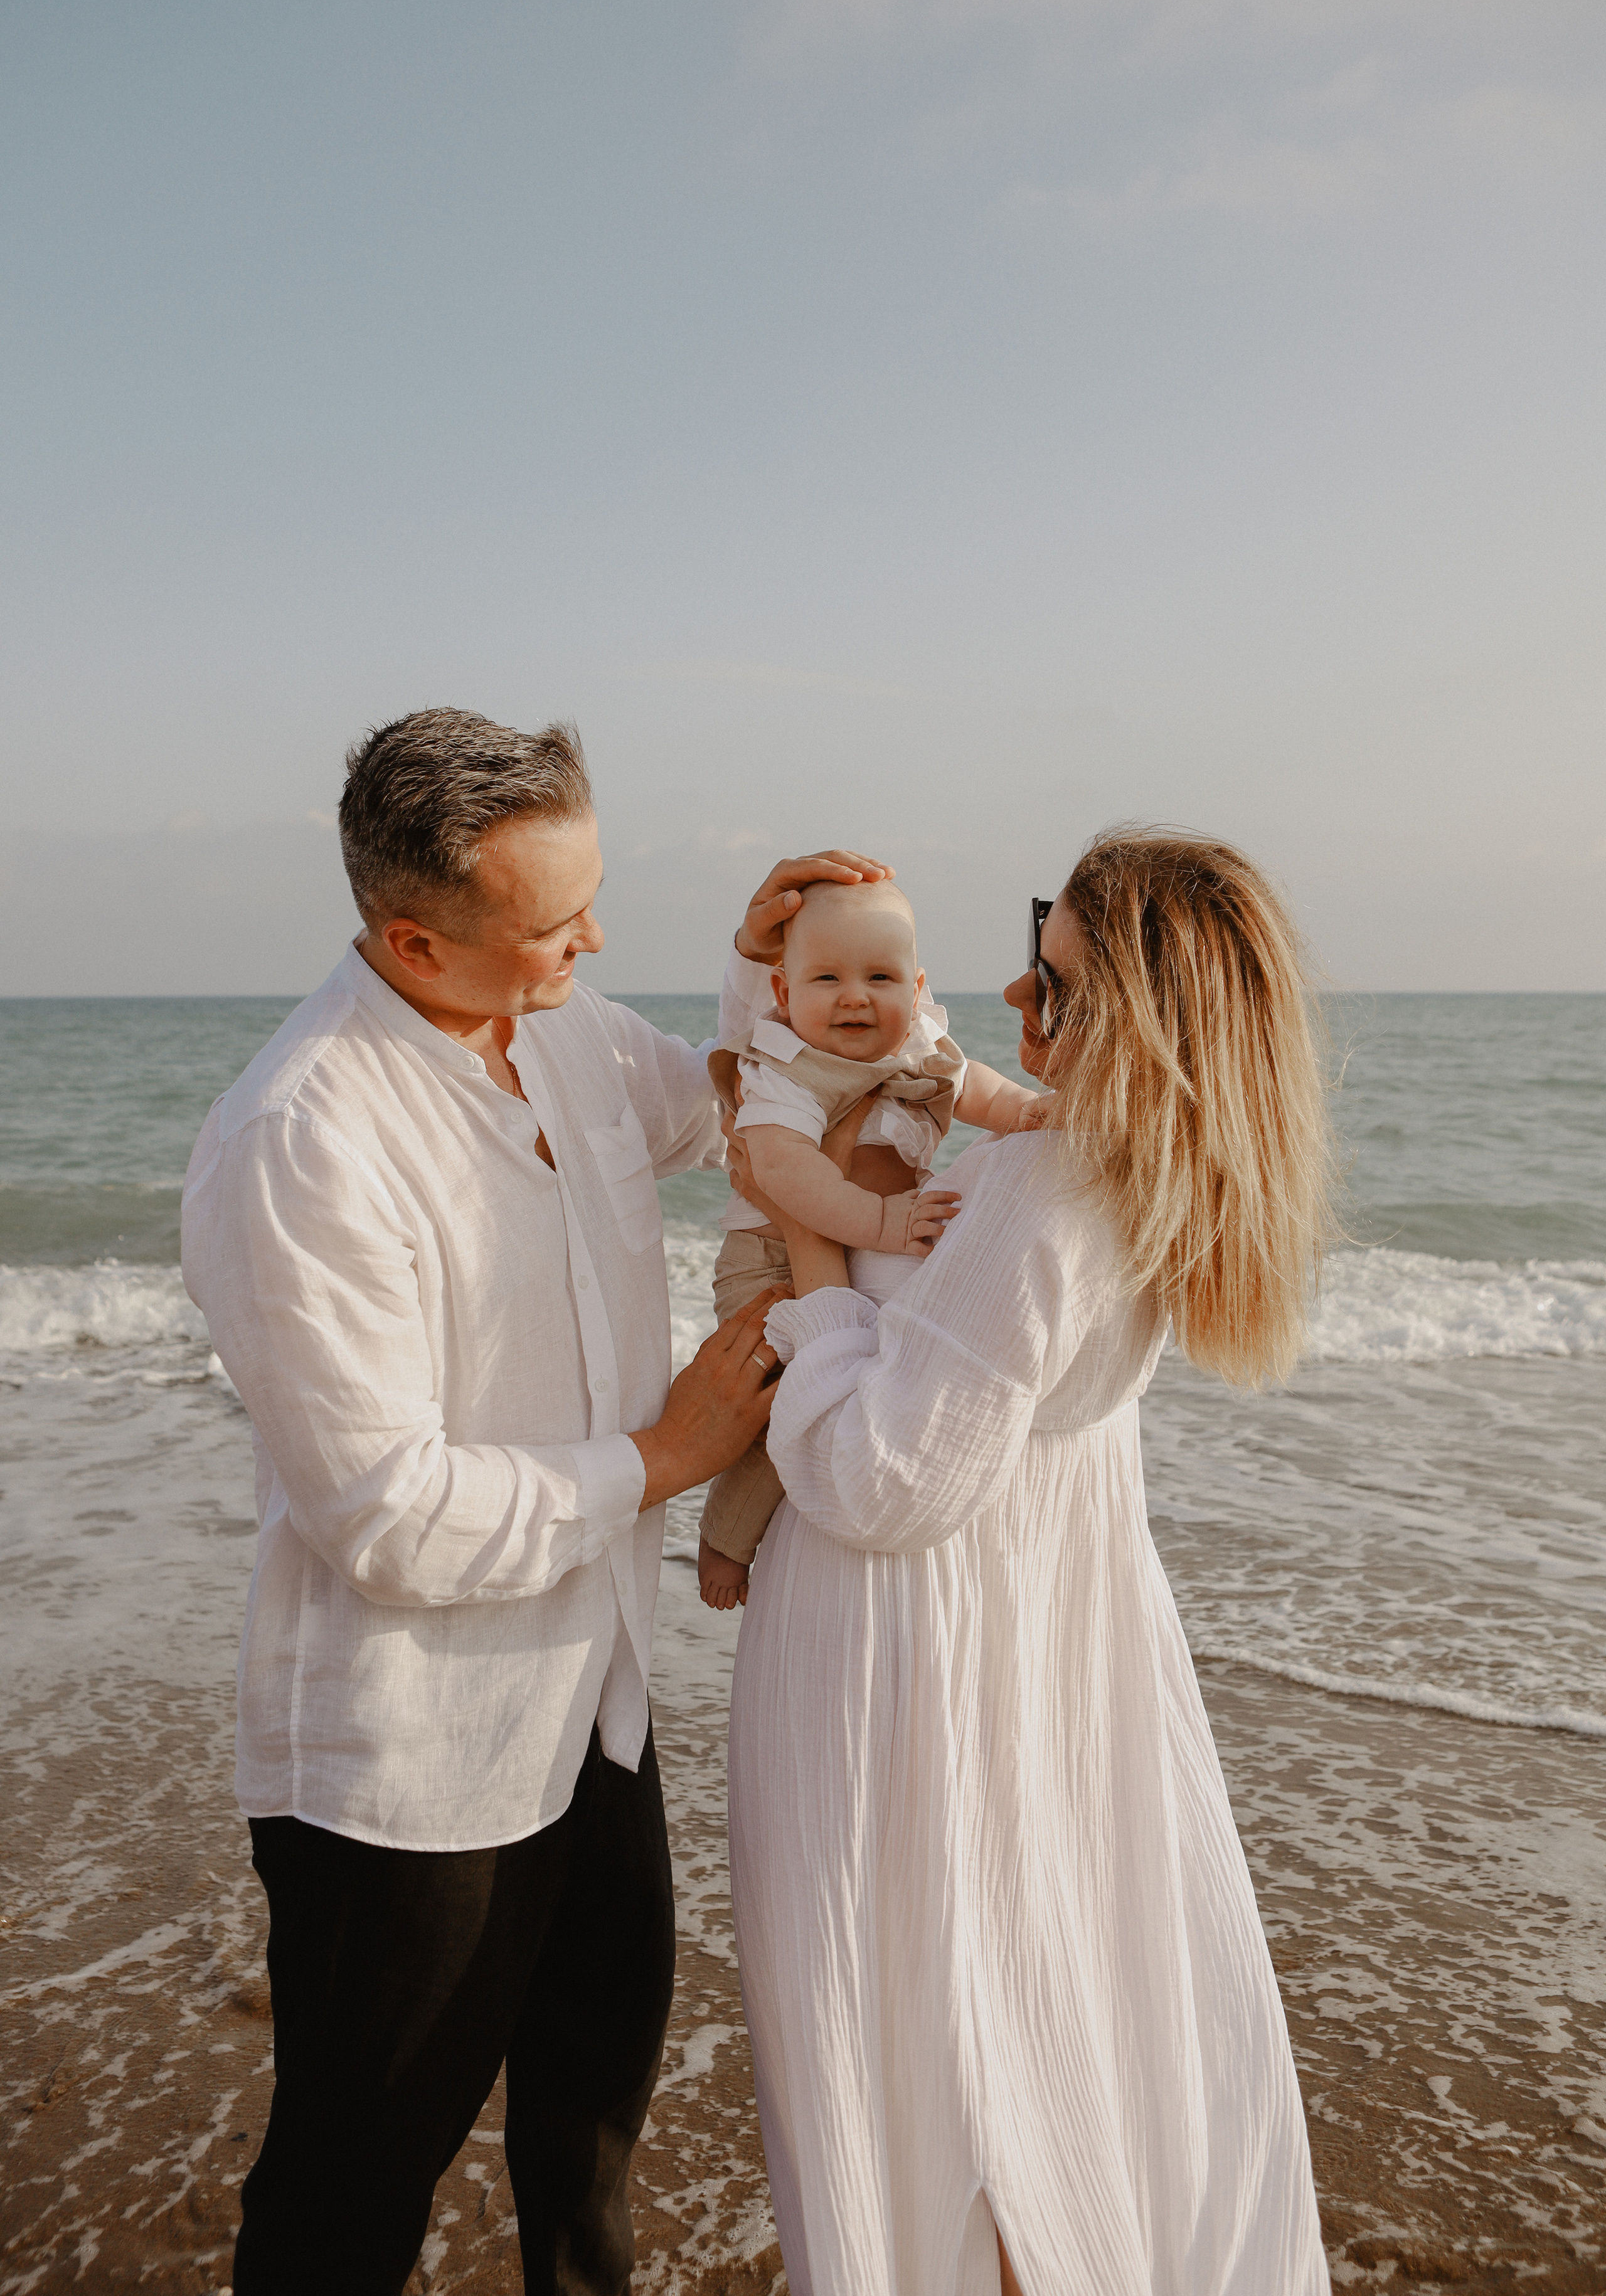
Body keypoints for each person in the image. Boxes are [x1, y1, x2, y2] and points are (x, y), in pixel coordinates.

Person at [179, 703, 886, 2296]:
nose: (593, 942)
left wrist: (775, 966)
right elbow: (387, 1510)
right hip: (404, 1770)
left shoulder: (557, 1022)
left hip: (593, 1713)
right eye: (556, 924)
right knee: (351, 2188)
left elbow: (717, 1111)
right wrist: (667, 1455)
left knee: (588, 2148)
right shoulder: (301, 1137)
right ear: (414, 940)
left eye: (593, 900)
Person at [725, 830, 1336, 2296]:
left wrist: (810, 1300)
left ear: (1131, 1014)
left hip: (914, 1676)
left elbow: (884, 1480)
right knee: (1042, 2025)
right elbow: (802, 1084)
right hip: (1028, 1645)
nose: (1008, 988)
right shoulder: (1136, 1165)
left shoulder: (1042, 1185)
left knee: (944, 2078)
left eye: (1051, 978)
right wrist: (769, 980)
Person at [697, 876, 1038, 1609]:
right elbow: (782, 1170)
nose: (854, 997)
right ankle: (725, 1537)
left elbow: (972, 1088)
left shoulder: (917, 1048)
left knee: (864, 1384)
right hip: (772, 1258)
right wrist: (881, 1223)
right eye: (828, 978)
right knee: (782, 1397)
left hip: (858, 1250)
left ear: (915, 990)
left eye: (879, 978)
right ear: (783, 995)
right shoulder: (785, 1067)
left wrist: (1029, 1113)